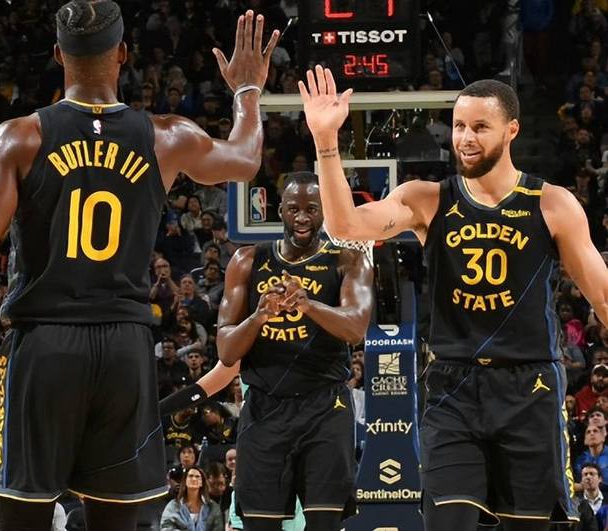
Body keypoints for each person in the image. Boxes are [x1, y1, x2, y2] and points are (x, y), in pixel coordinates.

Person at [0, 2, 279, 530]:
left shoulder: (21, 137)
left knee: (22, 515)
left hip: (44, 344)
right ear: (123, 53)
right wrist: (247, 90)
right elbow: (244, 159)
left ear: (58, 55)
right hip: (125, 347)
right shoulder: (166, 136)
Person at [298, 66, 608, 530]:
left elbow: (602, 296)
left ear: (512, 130)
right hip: (453, 387)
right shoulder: (428, 198)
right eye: (459, 125)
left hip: (530, 388)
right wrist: (326, 141)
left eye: (480, 127)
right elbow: (345, 227)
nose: (465, 138)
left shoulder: (551, 203)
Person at [216, 171, 373, 530]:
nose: (302, 217)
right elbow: (226, 350)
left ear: (324, 211)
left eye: (311, 209)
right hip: (265, 408)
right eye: (294, 209)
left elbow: (355, 328)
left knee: (325, 523)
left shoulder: (348, 260)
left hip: (325, 408)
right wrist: (259, 316)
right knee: (260, 524)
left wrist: (307, 305)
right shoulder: (247, 260)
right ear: (281, 211)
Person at [160, 466, 224, 531]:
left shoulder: (213, 507)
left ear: (202, 482)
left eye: (197, 477)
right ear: (185, 481)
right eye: (190, 476)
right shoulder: (173, 506)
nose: (194, 479)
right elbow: (166, 527)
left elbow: (218, 528)